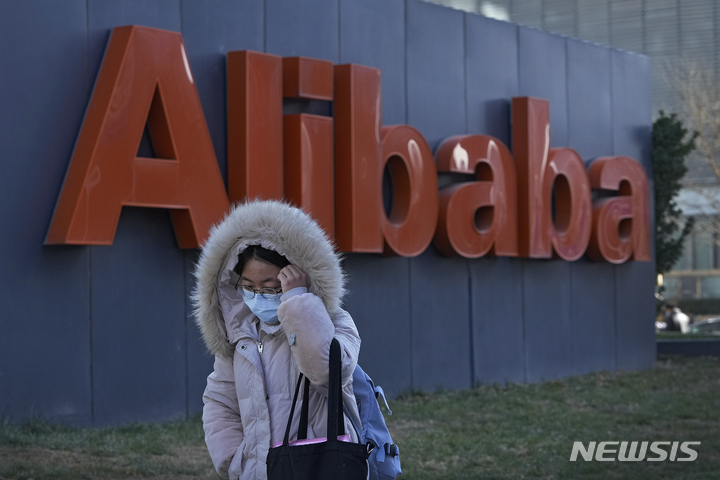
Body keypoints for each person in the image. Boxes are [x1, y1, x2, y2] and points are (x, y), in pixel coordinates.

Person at [193, 199, 362, 480]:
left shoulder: (335, 322)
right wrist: (236, 461)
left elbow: (327, 372)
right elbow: (219, 402)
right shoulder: (240, 338)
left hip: (321, 467)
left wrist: (298, 301)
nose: (257, 296)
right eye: (247, 287)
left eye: (271, 288)